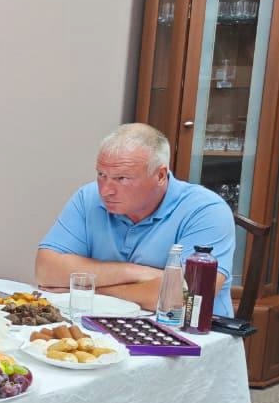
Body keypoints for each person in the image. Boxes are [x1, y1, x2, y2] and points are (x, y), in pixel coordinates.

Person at [35, 123, 235, 314]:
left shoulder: (206, 210)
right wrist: (136, 273)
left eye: (122, 178)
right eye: (102, 175)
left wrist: (93, 291)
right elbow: (46, 270)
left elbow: (185, 297)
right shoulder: (88, 197)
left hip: (189, 332)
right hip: (106, 324)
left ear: (160, 176)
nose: (105, 191)